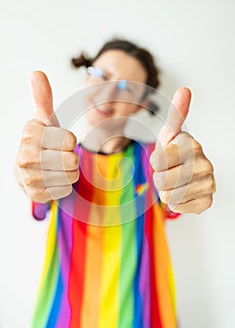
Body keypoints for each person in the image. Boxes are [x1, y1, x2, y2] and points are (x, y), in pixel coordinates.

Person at [15, 38, 215, 328]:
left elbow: (178, 192)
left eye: (127, 88)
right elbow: (28, 180)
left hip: (144, 319)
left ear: (140, 106)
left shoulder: (155, 159)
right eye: (102, 76)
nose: (108, 93)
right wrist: (26, 169)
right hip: (63, 320)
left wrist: (189, 180)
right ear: (86, 77)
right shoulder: (56, 159)